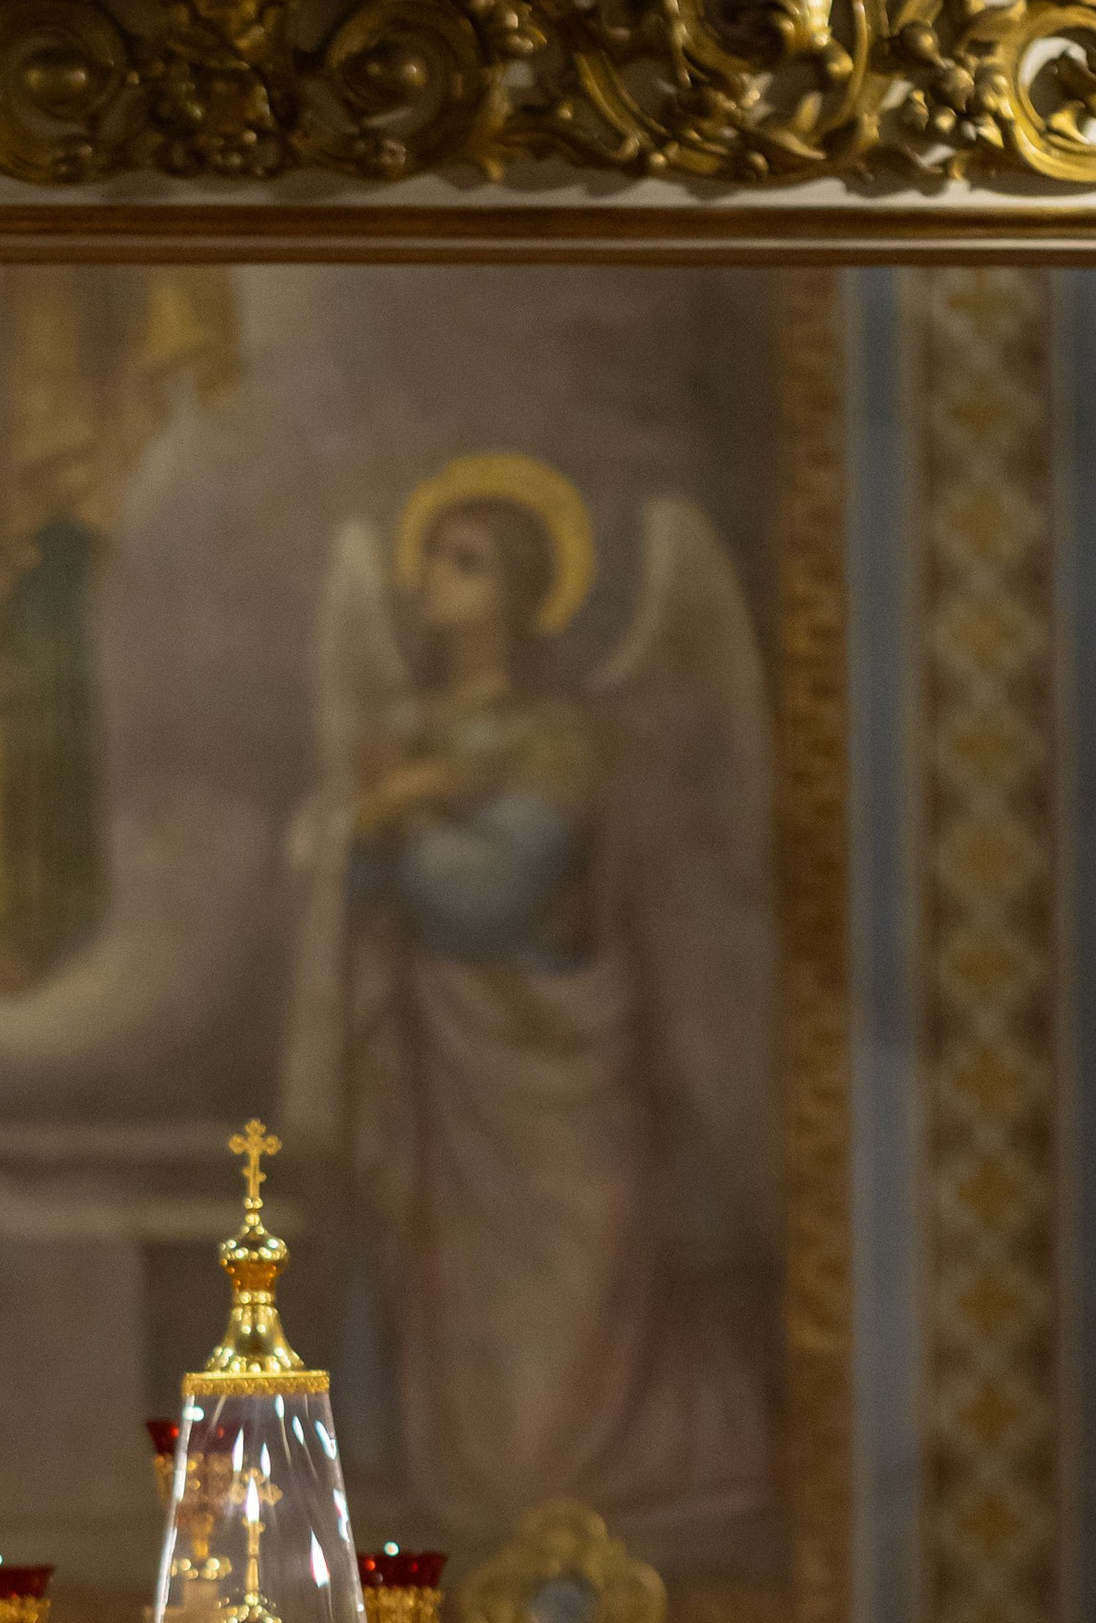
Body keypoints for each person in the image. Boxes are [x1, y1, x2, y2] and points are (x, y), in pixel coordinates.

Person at [282, 463, 773, 1555]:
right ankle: (464, 1474)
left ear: (522, 592)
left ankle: (585, 1467)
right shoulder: (405, 730)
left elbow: (484, 899)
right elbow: (361, 896)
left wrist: (394, 821)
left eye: (465, 564)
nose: (430, 586)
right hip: (438, 1063)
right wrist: (371, 831)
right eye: (430, 561)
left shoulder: (559, 738)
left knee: (559, 1315)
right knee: (448, 1290)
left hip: (551, 1057)